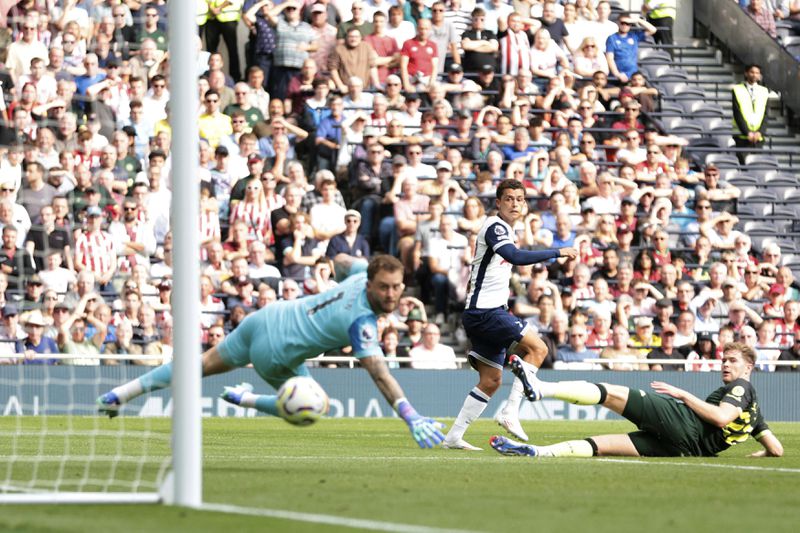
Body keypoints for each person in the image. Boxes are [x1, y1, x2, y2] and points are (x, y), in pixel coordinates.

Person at [97, 256, 446, 449]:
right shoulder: (362, 323)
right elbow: (380, 375)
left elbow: (340, 259)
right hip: (277, 354)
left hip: (268, 316)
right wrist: (410, 415)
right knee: (315, 406)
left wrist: (332, 282)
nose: (390, 294)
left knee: (198, 365)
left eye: (396, 287)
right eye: (383, 287)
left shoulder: (358, 274)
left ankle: (118, 394)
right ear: (370, 284)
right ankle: (246, 399)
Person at [443, 179, 577, 450]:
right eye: (509, 199)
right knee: (538, 348)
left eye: (519, 199)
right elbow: (513, 256)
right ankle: (510, 411)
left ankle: (453, 437)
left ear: (525, 204)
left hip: (483, 312)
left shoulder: (507, 229)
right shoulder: (495, 226)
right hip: (485, 312)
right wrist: (557, 252)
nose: (514, 203)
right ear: (498, 203)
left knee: (491, 381)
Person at [491, 342, 784, 459]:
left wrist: (683, 395)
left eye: (732, 361)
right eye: (724, 360)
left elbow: (721, 417)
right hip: (686, 450)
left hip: (684, 424)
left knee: (610, 392)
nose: (726, 365)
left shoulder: (742, 387)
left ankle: (541, 389)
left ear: (748, 368)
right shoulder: (755, 415)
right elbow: (776, 449)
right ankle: (538, 452)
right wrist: (762, 454)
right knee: (601, 446)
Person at [731, 64, 768, 163]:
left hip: (758, 137)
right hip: (742, 136)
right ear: (746, 73)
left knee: (757, 165)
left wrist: (761, 132)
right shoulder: (737, 89)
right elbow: (737, 113)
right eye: (752, 72)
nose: (754, 75)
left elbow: (765, 114)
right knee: (743, 165)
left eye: (757, 73)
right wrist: (747, 133)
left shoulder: (764, 91)